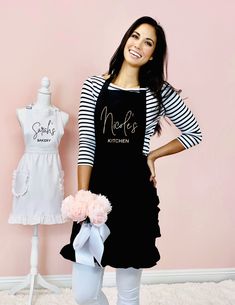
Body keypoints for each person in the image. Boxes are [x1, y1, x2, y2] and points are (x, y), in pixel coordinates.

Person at [60, 16, 202, 305]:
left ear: (153, 54)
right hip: (96, 197)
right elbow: (87, 144)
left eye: (148, 42)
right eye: (135, 36)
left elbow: (193, 132)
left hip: (136, 199)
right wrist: (84, 197)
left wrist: (153, 154)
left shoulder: (157, 94)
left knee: (128, 294)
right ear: (126, 39)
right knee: (84, 294)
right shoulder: (93, 86)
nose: (138, 45)